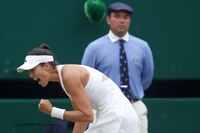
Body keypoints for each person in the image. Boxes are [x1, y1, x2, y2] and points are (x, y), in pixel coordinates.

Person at [16, 44, 140, 133]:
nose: (31, 75)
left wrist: (52, 111)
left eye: (33, 69)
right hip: (122, 117)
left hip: (116, 118)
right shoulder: (65, 76)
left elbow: (87, 116)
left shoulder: (68, 76)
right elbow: (81, 119)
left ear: (47, 65)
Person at [81, 2, 154, 133]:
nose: (122, 20)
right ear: (108, 19)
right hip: (105, 108)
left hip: (134, 106)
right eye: (117, 16)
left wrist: (131, 95)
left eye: (126, 17)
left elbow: (146, 78)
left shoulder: (143, 47)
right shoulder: (94, 48)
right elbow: (84, 80)